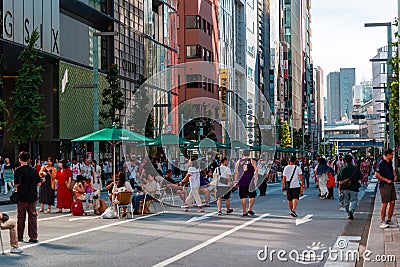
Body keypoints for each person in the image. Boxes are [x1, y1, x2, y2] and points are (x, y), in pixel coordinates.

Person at [14, 151, 41, 243]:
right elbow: (38, 183)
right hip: (32, 195)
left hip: (22, 196)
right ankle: (33, 236)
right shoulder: (33, 170)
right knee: (32, 216)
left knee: (21, 217)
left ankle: (20, 236)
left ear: (19, 159)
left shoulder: (18, 170)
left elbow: (17, 183)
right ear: (29, 160)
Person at [375, 149, 398, 228]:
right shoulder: (381, 163)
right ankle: (382, 221)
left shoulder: (389, 163)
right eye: (392, 154)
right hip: (384, 186)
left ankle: (389, 219)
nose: (392, 156)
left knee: (392, 202)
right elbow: (376, 174)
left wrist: (394, 175)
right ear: (387, 155)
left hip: (391, 184)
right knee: (385, 203)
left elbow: (392, 170)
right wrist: (386, 180)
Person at [337, 154, 362, 220]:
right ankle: (351, 210)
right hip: (354, 187)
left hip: (345, 187)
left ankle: (348, 211)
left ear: (345, 161)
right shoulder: (356, 169)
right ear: (352, 160)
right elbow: (360, 177)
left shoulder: (343, 169)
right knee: (354, 200)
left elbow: (339, 179)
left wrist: (339, 188)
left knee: (346, 201)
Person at [235, 150, 258, 216]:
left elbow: (236, 172)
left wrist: (236, 181)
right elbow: (256, 170)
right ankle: (250, 209)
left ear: (242, 154)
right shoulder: (252, 161)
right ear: (249, 154)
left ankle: (244, 211)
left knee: (243, 197)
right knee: (252, 196)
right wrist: (256, 179)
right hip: (251, 181)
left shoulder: (238, 162)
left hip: (241, 181)